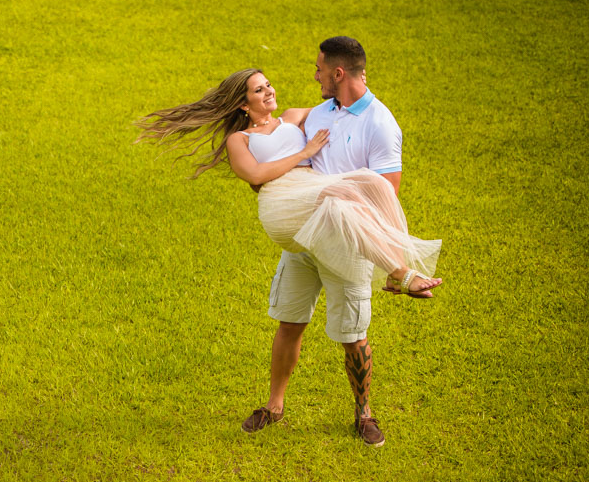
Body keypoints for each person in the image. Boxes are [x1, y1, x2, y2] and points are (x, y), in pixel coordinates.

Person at [134, 36, 441, 446]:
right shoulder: (274, 129)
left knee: (353, 332)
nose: (273, 90)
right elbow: (257, 177)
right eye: (260, 88)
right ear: (243, 104)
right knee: (290, 321)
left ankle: (364, 413)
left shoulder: (319, 118)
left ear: (336, 73)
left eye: (269, 85)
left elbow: (386, 190)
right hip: (296, 220)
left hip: (341, 232)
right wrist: (304, 154)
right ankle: (274, 404)